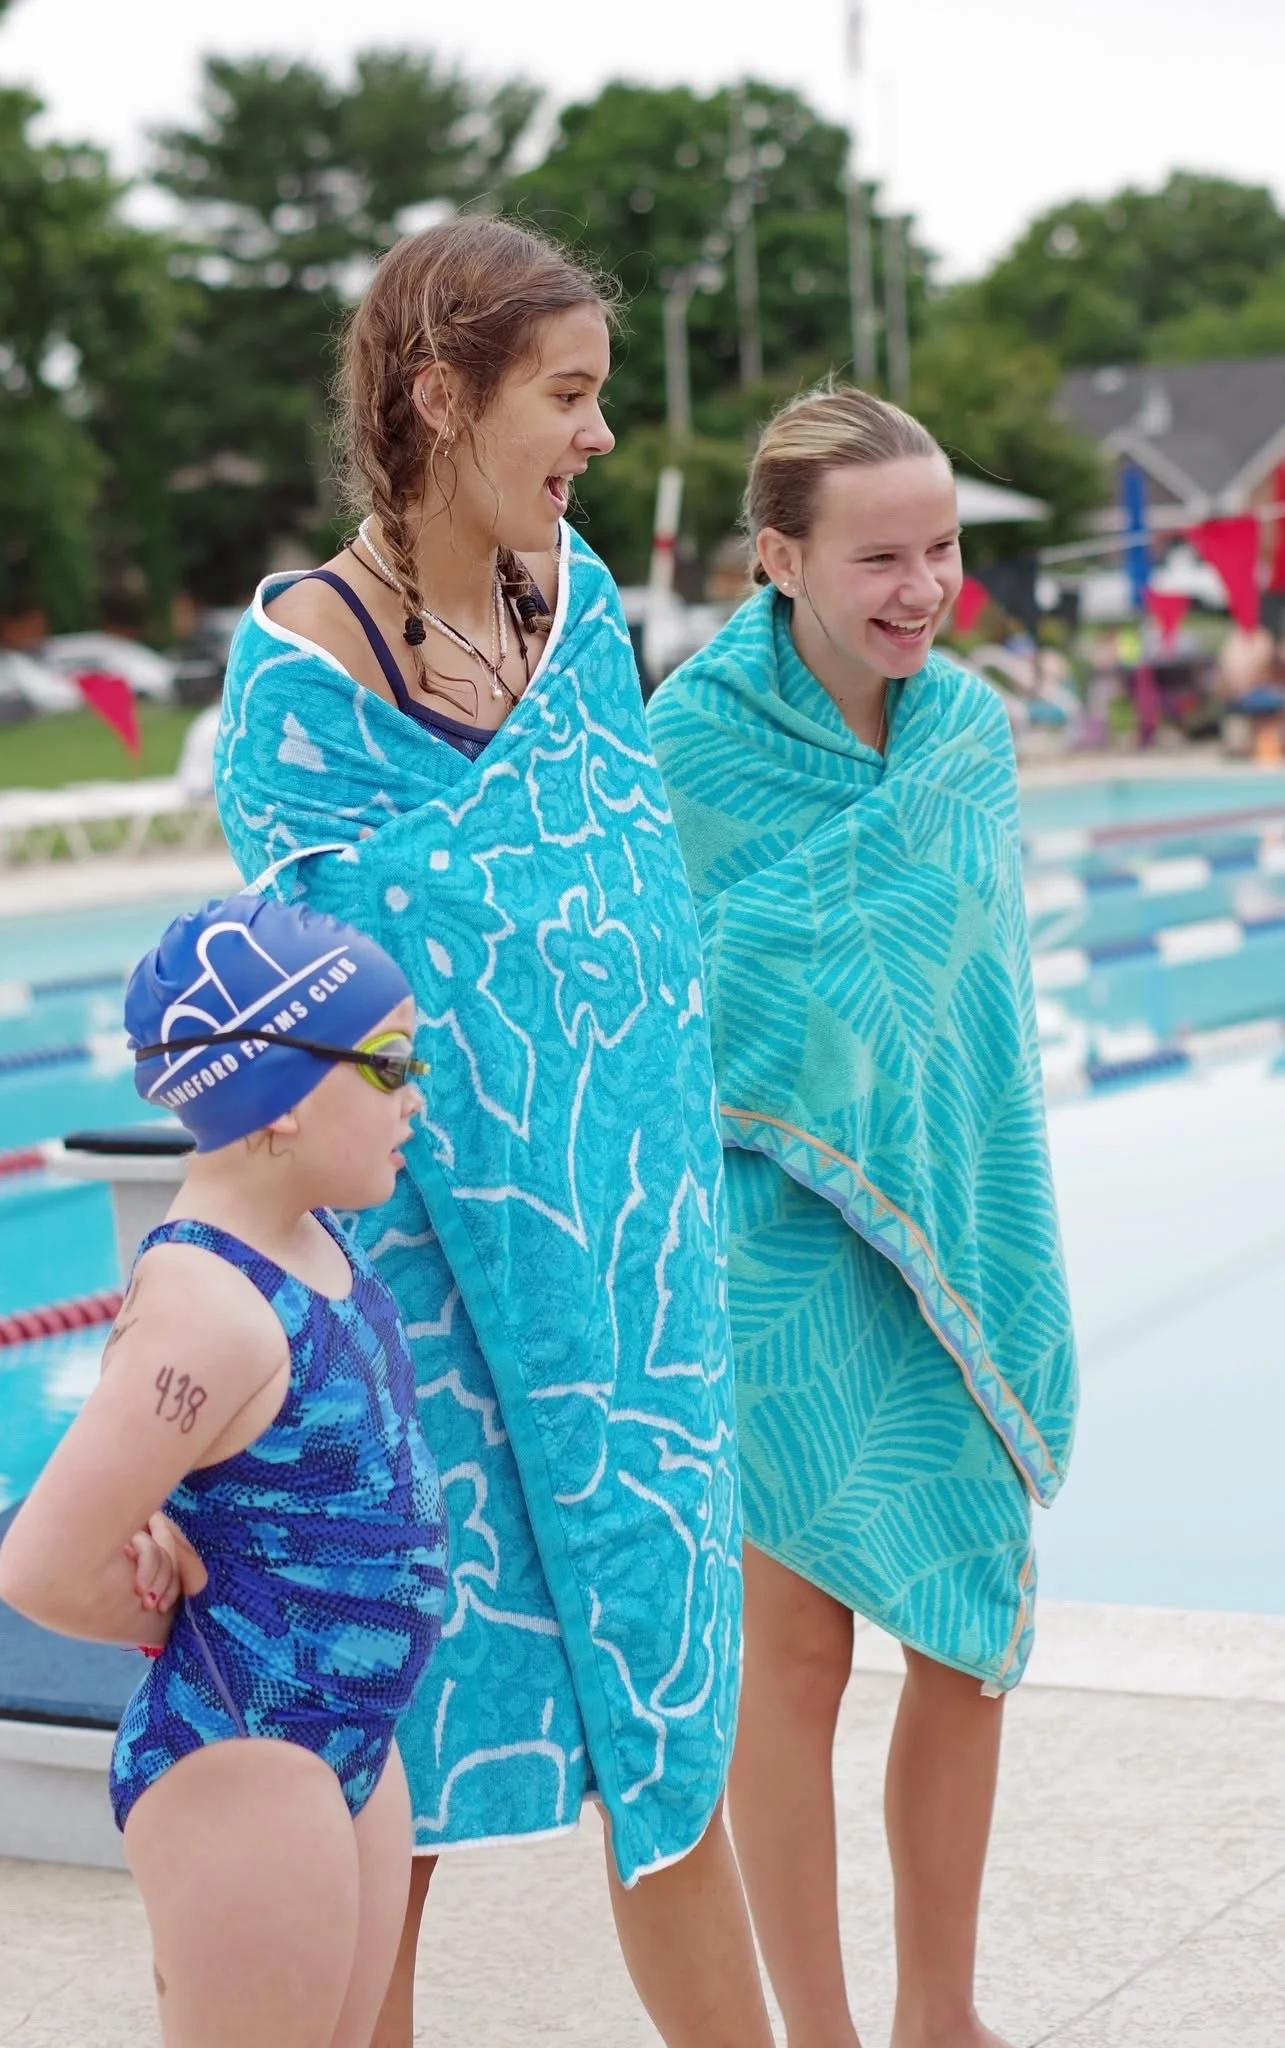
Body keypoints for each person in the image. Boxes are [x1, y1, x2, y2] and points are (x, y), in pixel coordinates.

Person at [214, 216, 771, 2048]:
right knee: (403, 1780)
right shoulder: (306, 665)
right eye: (571, 393)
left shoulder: (576, 607)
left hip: (625, 1287)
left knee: (668, 1729)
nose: (600, 434)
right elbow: (326, 1017)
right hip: (420, 1302)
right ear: (440, 396)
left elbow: (633, 925)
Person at [648, 385, 1079, 2048]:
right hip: (765, 1238)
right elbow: (670, 989)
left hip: (951, 1236)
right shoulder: (688, 738)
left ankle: (940, 2011)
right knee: (796, 1656)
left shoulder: (965, 730)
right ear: (779, 555)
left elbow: (973, 1019)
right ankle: (816, 2029)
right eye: (881, 554)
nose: (923, 587)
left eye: (943, 548)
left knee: (967, 1635)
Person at [0, 891, 450, 2048]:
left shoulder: (310, 1236)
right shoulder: (206, 1304)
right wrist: (176, 1614)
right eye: (390, 1064)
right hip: (245, 1744)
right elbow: (40, 1564)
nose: (416, 1094)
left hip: (349, 1730)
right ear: (278, 1097)